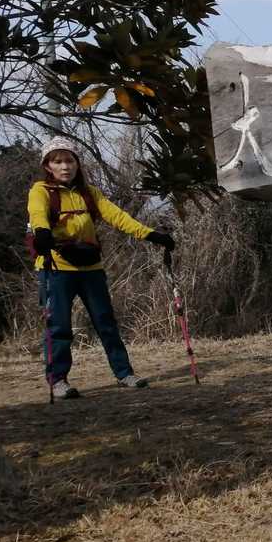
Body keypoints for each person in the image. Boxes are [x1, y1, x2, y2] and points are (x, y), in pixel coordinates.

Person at [28, 136, 175, 398]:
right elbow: (38, 213)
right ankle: (58, 381)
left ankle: (124, 373)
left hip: (90, 268)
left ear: (77, 163)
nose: (65, 167)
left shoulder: (90, 192)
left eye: (69, 160)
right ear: (48, 166)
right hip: (56, 267)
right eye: (57, 162)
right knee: (59, 327)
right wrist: (42, 232)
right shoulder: (41, 190)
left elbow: (118, 217)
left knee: (106, 322)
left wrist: (151, 235)